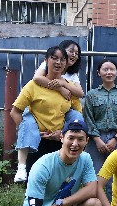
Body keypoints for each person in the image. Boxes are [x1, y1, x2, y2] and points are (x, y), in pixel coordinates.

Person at [14, 40, 84, 183]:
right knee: (34, 183)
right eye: (54, 58)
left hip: (59, 140)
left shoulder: (71, 83)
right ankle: (21, 168)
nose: (58, 62)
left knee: (57, 184)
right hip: (37, 141)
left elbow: (78, 113)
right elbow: (15, 111)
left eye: (62, 59)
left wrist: (63, 133)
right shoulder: (35, 83)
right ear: (46, 60)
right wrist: (29, 130)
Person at [83, 58, 117, 199]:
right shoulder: (91, 95)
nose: (109, 72)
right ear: (99, 73)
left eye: (112, 69)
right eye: (105, 69)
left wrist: (116, 139)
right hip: (95, 140)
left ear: (116, 72)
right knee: (94, 177)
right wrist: (97, 140)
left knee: (115, 178)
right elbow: (88, 119)